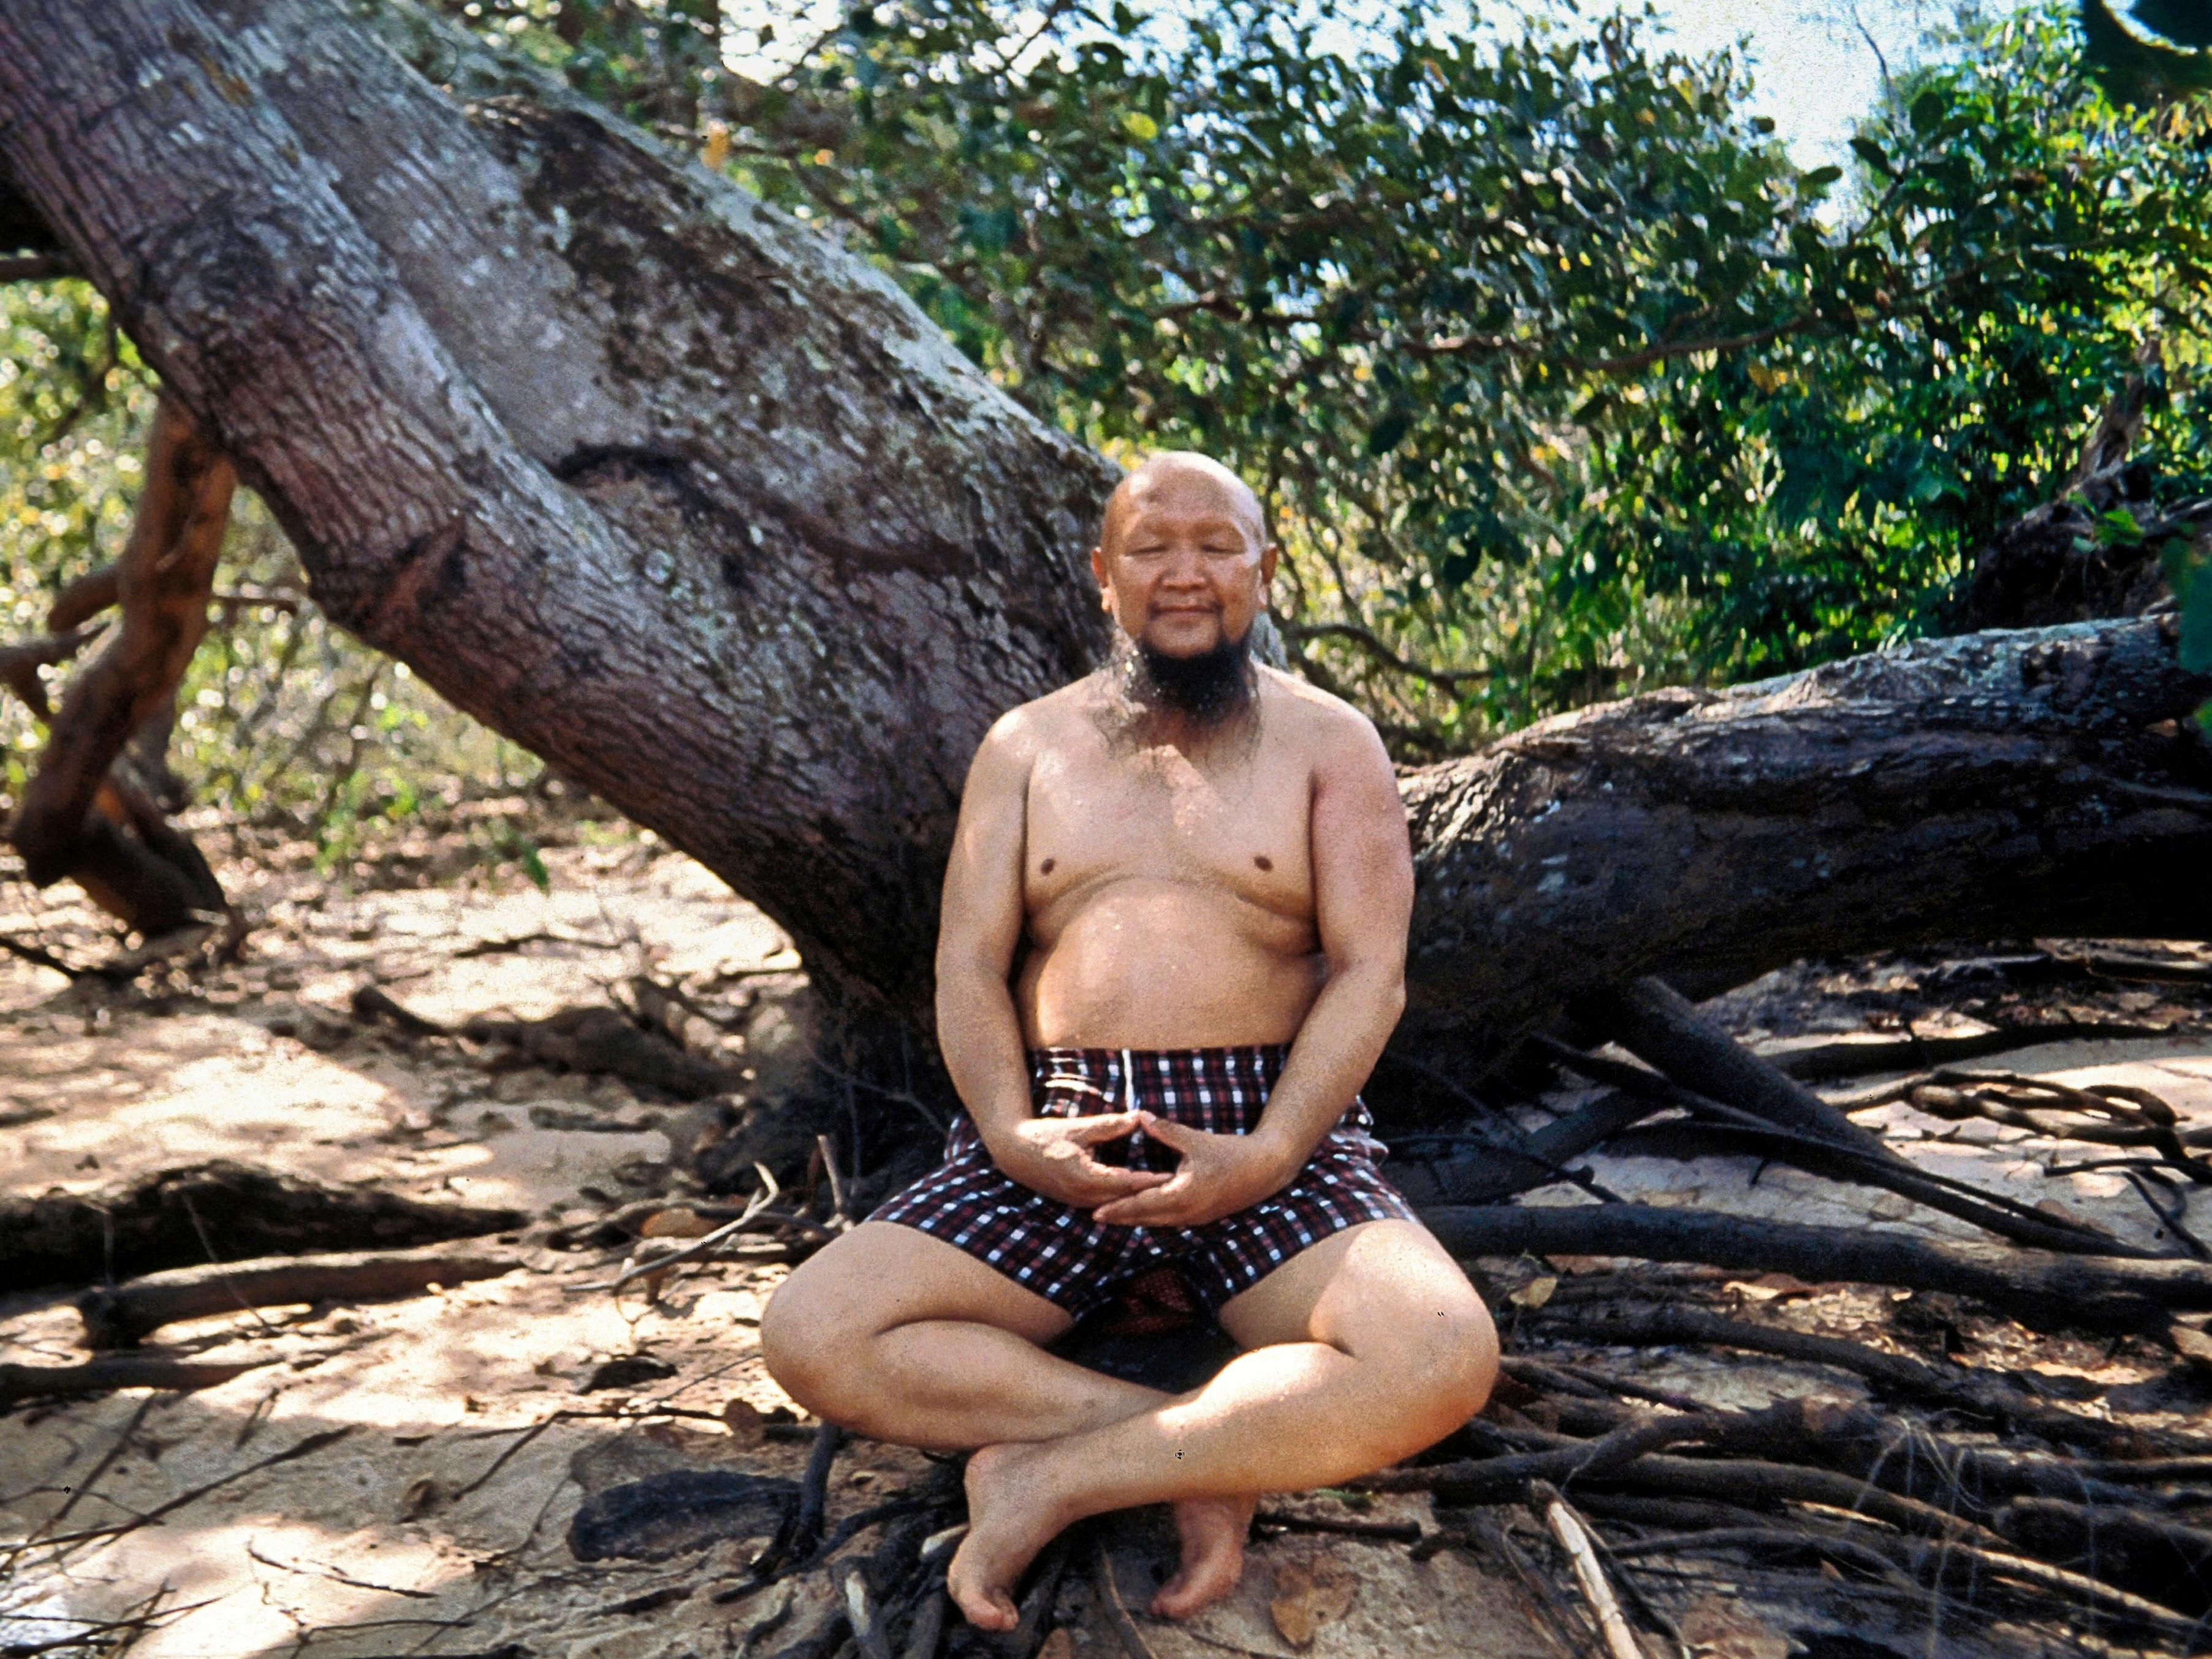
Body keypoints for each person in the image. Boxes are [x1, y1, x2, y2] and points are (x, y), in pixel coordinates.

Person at [761, 452, 1497, 1631]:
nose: (1186, 573)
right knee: (810, 1331)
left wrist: (1266, 1151)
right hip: (1060, 1133)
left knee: (1442, 1356)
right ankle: (1183, 1448)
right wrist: (1009, 1132)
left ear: (1266, 568)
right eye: (1153, 547)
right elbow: (967, 966)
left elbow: (1371, 974)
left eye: (1217, 545)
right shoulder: (1025, 747)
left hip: (1267, 1132)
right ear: (1105, 578)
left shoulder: (1329, 742)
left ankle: (1058, 1472)